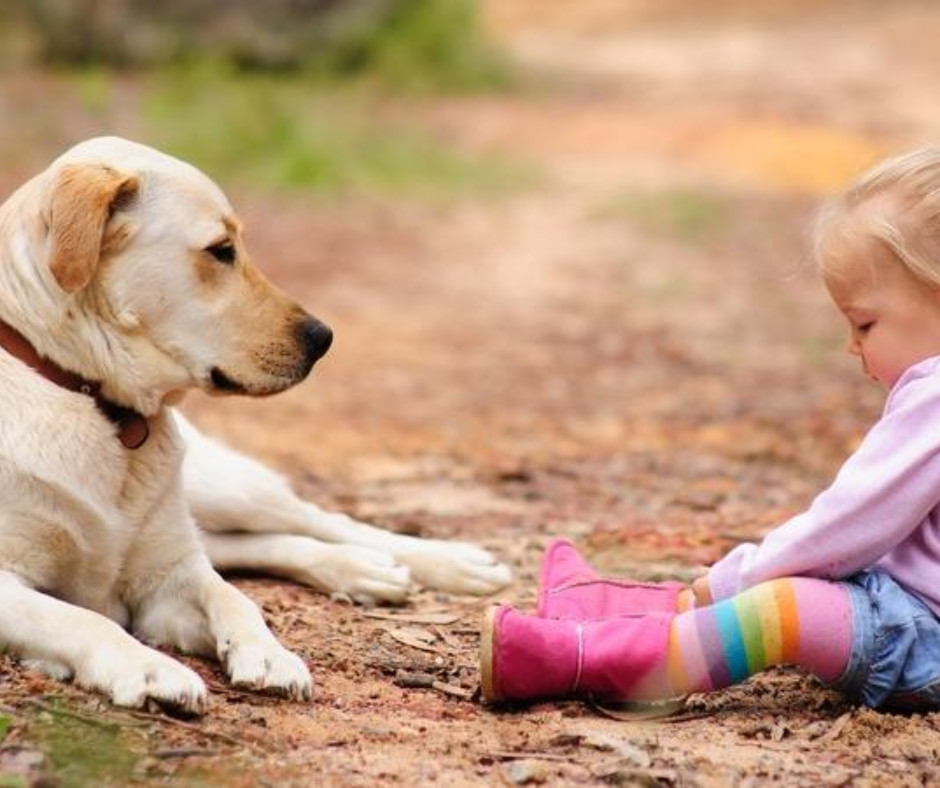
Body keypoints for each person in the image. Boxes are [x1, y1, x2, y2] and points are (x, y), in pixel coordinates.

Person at [480, 147, 940, 711]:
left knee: (783, 607)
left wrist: (732, 584)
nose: (852, 347)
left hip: (925, 640)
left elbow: (848, 525)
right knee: (790, 586)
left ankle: (583, 654)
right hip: (906, 608)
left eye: (864, 323)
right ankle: (598, 606)